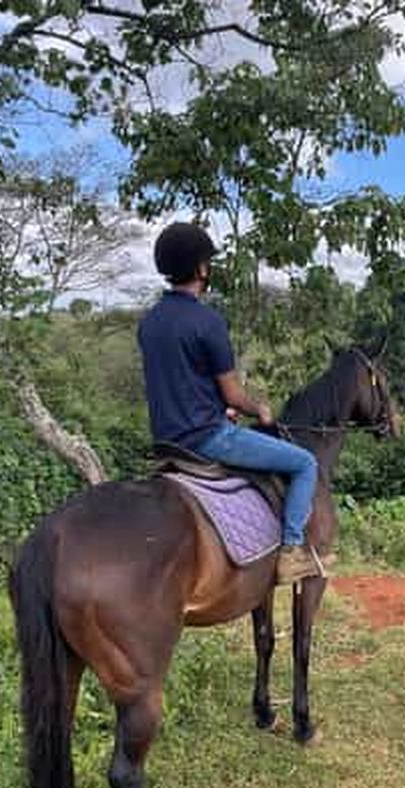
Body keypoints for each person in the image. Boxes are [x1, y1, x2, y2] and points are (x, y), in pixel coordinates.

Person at [138, 221, 321, 584]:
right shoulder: (207, 321)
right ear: (201, 268)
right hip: (208, 438)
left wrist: (216, 405)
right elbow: (233, 395)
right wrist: (259, 409)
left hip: (166, 441)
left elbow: (180, 381)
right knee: (305, 463)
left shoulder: (149, 322)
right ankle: (291, 552)